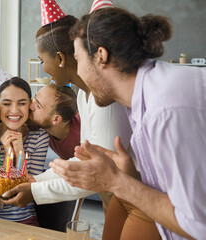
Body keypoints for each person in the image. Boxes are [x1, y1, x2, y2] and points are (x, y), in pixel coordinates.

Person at [50, 7, 206, 239]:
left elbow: (197, 225)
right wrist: (127, 175)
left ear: (101, 55)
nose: (78, 72)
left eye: (78, 59)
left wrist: (116, 181)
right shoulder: (144, 96)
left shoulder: (165, 108)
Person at [3, 10, 131, 214]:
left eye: (42, 60)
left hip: (133, 196)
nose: (43, 67)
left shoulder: (105, 100)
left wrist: (35, 191)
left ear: (60, 59)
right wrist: (36, 180)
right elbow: (84, 160)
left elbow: (97, 172)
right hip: (115, 199)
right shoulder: (83, 95)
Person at [0, 77, 50, 226]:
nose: (14, 111)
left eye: (22, 103)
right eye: (6, 104)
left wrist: (19, 150)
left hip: (23, 220)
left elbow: (27, 195)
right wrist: (9, 154)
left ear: (30, 105)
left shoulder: (39, 137)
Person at [28, 83, 80, 160]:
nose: (31, 106)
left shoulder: (81, 137)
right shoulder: (44, 126)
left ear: (55, 119)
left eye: (38, 106)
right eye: (35, 99)